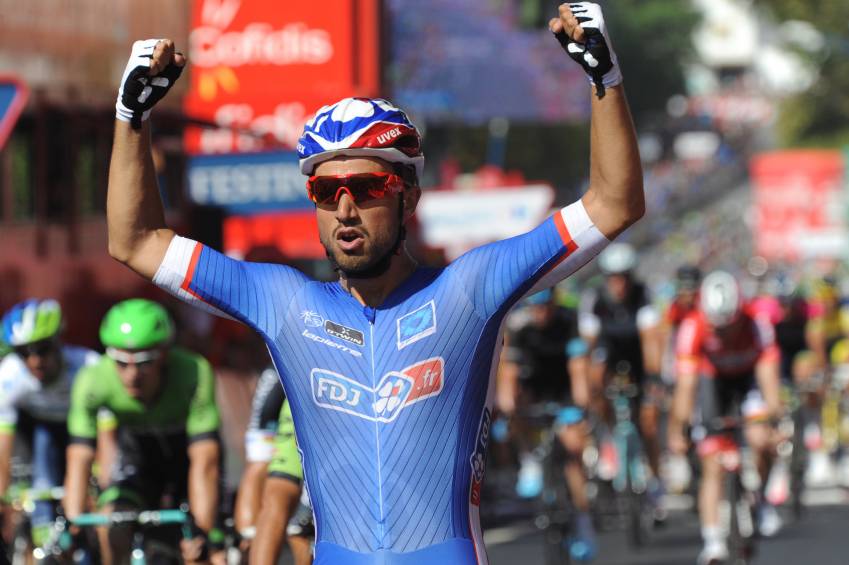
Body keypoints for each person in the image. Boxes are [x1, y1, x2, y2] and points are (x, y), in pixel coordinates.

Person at [105, 3, 644, 562]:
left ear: (409, 194)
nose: (344, 209)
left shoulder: (469, 291)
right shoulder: (284, 303)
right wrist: (130, 119)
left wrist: (605, 81)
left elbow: (613, 205)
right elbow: (136, 240)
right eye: (324, 191)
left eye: (366, 187)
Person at [63, 299, 221, 565]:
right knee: (111, 525)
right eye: (121, 362)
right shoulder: (93, 380)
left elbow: (205, 462)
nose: (132, 374)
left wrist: (202, 533)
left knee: (204, 552)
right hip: (136, 457)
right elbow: (79, 459)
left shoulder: (193, 371)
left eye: (145, 362)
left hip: (186, 460)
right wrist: (74, 523)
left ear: (165, 354)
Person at [668, 271, 783, 565]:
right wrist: (678, 429)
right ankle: (713, 541)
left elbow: (769, 378)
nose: (723, 334)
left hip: (749, 380)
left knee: (761, 440)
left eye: (728, 327)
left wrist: (774, 420)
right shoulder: (692, 327)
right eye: (716, 328)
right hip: (713, 382)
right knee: (712, 461)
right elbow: (686, 386)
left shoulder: (757, 323)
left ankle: (761, 496)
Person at [0, 299, 110, 548]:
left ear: (59, 340)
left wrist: (100, 480)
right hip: (41, 433)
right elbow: (3, 445)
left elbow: (107, 434)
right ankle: (43, 542)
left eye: (43, 348)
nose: (35, 360)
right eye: (24, 352)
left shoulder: (88, 365)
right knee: (42, 471)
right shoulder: (10, 375)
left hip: (85, 434)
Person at [498, 289, 596, 561]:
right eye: (536, 308)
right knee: (514, 408)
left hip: (563, 386)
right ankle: (529, 458)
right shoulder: (519, 326)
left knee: (573, 452)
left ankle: (584, 523)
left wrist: (580, 405)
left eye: (545, 308)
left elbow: (578, 367)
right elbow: (509, 374)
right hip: (534, 386)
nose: (541, 313)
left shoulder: (568, 320)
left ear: (553, 304)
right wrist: (508, 407)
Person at [578, 243, 665, 513]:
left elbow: (651, 341)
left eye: (624, 277)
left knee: (648, 423)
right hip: (609, 353)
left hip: (637, 355)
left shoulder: (643, 295)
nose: (619, 284)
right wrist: (589, 388)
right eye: (613, 278)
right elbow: (588, 345)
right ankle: (606, 438)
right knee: (594, 376)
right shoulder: (594, 298)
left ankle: (655, 479)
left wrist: (653, 380)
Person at [235, 367, 312, 564]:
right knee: (278, 500)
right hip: (300, 405)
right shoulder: (277, 375)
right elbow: (258, 464)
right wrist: (248, 534)